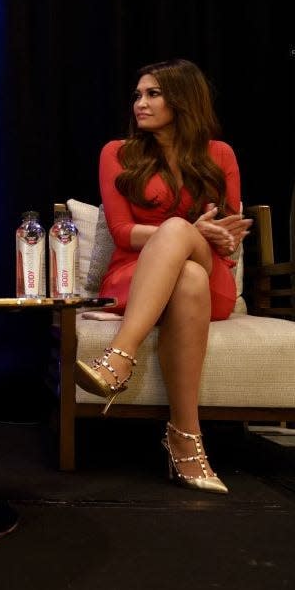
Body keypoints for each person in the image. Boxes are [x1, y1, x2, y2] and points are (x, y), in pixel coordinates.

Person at [75, 58, 252, 494]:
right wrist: (191, 231)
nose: (141, 103)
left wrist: (215, 236)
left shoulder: (221, 155)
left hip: (214, 276)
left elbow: (227, 232)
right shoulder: (118, 153)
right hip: (133, 275)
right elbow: (120, 232)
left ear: (182, 99)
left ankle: (119, 358)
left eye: (153, 94)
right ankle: (186, 441)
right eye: (138, 94)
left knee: (185, 247)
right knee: (186, 272)